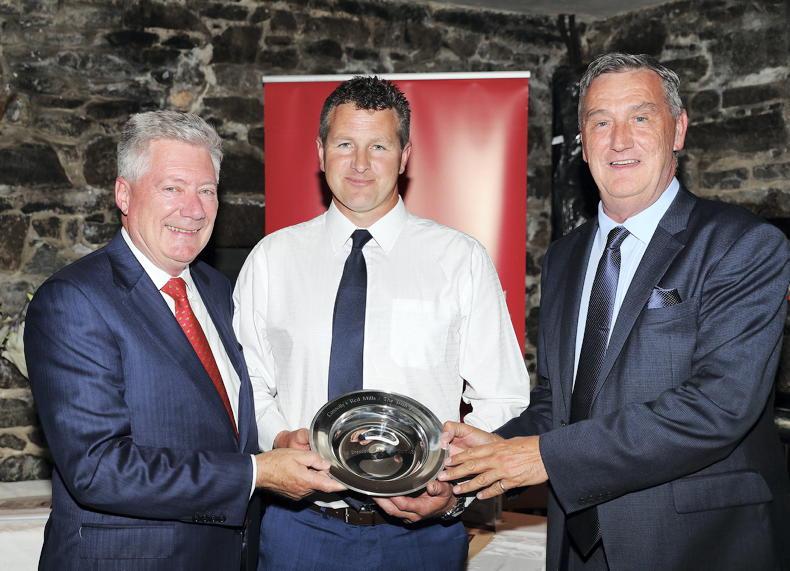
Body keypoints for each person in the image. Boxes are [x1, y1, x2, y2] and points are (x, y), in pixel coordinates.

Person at [440, 53, 790, 571]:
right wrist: (480, 461)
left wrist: (543, 457)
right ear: (583, 143)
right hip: (577, 544)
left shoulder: (742, 245)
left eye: (640, 117)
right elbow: (559, 401)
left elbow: (719, 405)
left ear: (678, 130)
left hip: (698, 544)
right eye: (601, 122)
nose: (619, 140)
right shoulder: (563, 258)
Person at [233, 76, 531, 570]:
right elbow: (248, 386)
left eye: (379, 146)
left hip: (422, 536)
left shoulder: (460, 260)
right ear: (320, 152)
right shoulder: (272, 260)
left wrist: (451, 481)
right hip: (299, 530)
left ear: (405, 156)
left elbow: (503, 396)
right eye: (344, 144)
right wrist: (278, 439)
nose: (360, 163)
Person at [24, 111, 343, 571]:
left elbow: (220, 424)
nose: (194, 209)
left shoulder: (217, 290)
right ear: (123, 194)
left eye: (207, 190)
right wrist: (257, 472)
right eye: (172, 188)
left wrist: (277, 443)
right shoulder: (73, 301)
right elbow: (98, 469)